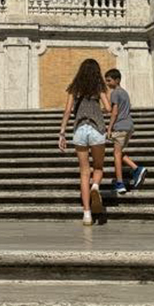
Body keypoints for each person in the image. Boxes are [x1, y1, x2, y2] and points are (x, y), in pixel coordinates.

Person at [58, 59, 112, 225]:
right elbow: (109, 108)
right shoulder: (99, 87)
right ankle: (95, 186)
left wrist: (62, 133)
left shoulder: (74, 87)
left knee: (83, 172)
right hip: (97, 129)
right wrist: (96, 108)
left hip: (80, 129)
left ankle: (87, 214)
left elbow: (67, 111)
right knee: (98, 167)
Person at [104, 69, 147, 195]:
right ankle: (136, 169)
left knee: (116, 155)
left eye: (109, 80)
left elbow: (115, 112)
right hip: (129, 126)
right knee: (119, 152)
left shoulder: (115, 93)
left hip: (120, 126)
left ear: (116, 80)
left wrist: (109, 127)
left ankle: (120, 183)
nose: (107, 83)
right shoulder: (125, 93)